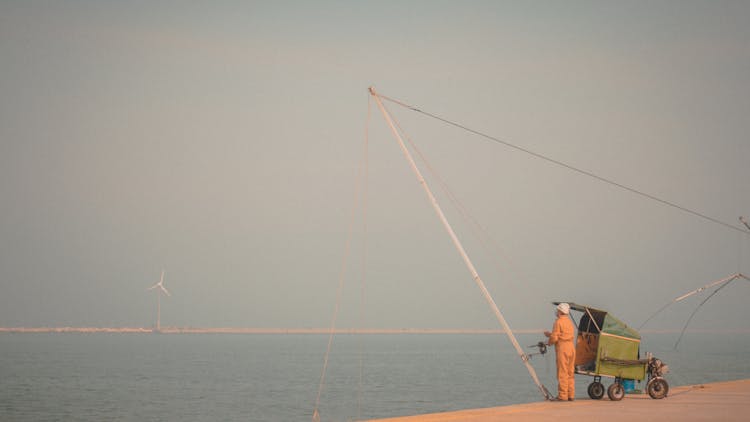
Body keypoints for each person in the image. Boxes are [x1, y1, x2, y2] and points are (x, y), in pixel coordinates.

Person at [544, 302, 576, 401]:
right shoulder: (569, 322)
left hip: (563, 348)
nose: (556, 312)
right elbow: (563, 335)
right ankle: (571, 395)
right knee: (570, 372)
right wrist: (551, 335)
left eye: (558, 310)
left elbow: (555, 337)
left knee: (562, 372)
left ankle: (563, 395)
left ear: (560, 311)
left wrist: (548, 341)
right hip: (571, 347)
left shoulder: (558, 322)